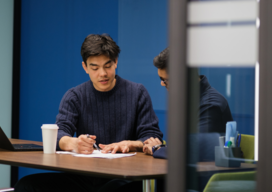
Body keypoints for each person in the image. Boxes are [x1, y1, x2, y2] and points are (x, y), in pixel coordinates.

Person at [14, 34, 163, 192]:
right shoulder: (75, 96)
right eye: (95, 68)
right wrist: (74, 143)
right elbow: (59, 133)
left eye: (107, 66)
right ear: (85, 67)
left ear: (116, 62)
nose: (102, 73)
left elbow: (152, 137)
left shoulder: (137, 93)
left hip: (122, 176)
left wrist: (130, 144)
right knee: (26, 185)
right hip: (82, 176)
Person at [142, 47, 234, 192]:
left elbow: (193, 150)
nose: (162, 84)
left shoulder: (211, 104)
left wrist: (158, 148)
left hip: (201, 183)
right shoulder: (188, 100)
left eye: (165, 80)